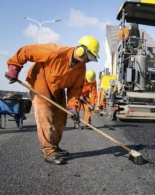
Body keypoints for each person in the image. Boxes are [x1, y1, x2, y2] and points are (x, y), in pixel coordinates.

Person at [5, 35, 100, 165]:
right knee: (45, 117)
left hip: (57, 88)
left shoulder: (81, 68)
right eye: (88, 57)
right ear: (81, 50)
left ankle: (54, 146)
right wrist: (14, 67)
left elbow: (75, 90)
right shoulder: (54, 51)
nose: (89, 60)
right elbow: (26, 51)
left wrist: (72, 107)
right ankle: (49, 151)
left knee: (61, 119)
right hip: (40, 82)